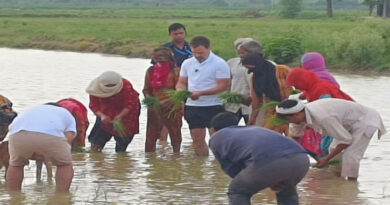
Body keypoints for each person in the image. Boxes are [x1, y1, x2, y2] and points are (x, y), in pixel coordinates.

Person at [209, 112, 309, 205]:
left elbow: (232, 169)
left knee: (238, 191)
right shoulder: (253, 129)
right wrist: (269, 179)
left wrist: (261, 180)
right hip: (301, 159)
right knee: (286, 192)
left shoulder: (216, 137)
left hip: (270, 162)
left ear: (212, 129)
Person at [276, 99, 386, 180]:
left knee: (351, 155)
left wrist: (326, 159)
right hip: (347, 122)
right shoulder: (296, 119)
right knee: (332, 148)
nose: (290, 123)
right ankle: (338, 178)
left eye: (290, 119)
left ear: (297, 114)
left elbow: (346, 140)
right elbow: (296, 138)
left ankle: (351, 185)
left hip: (365, 120)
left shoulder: (323, 117)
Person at [176, 36, 230, 156]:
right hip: (192, 106)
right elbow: (182, 82)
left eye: (200, 52)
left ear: (208, 48)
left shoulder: (219, 63)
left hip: (213, 105)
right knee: (197, 141)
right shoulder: (187, 63)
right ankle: (199, 169)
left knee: (217, 140)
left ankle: (218, 167)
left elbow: (223, 86)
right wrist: (180, 91)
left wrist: (201, 93)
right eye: (194, 52)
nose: (197, 55)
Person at [6, 103, 76, 192]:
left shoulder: (31, 110)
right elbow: (68, 138)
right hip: (50, 135)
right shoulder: (66, 113)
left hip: (18, 134)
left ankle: (14, 197)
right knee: (64, 164)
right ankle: (61, 196)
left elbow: (11, 128)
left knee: (16, 165)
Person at [86, 71, 140, 152]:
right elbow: (94, 105)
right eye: (108, 86)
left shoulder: (126, 86)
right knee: (96, 143)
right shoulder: (95, 88)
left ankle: (120, 159)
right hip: (105, 112)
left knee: (122, 143)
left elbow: (130, 104)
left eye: (113, 86)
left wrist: (120, 116)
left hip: (127, 114)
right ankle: (96, 161)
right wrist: (102, 116)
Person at [143, 47, 182, 153]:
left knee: (175, 133)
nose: (160, 62)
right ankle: (150, 158)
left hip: (172, 106)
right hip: (154, 106)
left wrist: (168, 101)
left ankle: (176, 156)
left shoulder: (176, 71)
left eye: (163, 60)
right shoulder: (150, 71)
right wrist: (150, 99)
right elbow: (146, 89)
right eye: (158, 59)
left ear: (169, 59)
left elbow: (179, 91)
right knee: (151, 135)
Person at [242, 54, 291, 135]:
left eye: (250, 68)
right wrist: (252, 119)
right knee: (269, 134)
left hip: (290, 108)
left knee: (292, 134)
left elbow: (298, 83)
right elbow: (256, 101)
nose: (249, 71)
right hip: (272, 109)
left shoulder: (281, 70)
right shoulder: (254, 78)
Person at [159, 23, 192, 142]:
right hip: (170, 89)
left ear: (185, 33)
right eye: (175, 34)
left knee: (190, 115)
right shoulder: (165, 49)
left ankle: (194, 142)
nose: (179, 36)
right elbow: (158, 69)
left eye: (181, 33)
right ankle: (163, 144)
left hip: (191, 87)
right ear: (170, 35)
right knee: (168, 117)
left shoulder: (192, 48)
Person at [225, 38, 254, 124]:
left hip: (251, 106)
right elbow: (227, 84)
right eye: (239, 50)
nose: (241, 53)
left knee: (252, 131)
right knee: (229, 131)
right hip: (232, 106)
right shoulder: (231, 63)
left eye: (245, 50)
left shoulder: (264, 65)